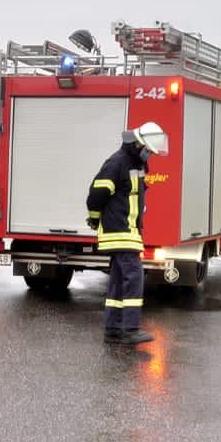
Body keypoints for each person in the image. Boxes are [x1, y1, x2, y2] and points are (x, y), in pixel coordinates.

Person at [86, 121, 167, 346]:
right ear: (138, 144)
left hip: (128, 230)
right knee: (134, 275)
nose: (149, 154)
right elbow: (95, 195)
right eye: (148, 150)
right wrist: (94, 218)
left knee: (119, 280)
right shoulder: (117, 163)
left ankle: (112, 329)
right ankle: (130, 328)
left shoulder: (135, 163)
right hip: (119, 231)